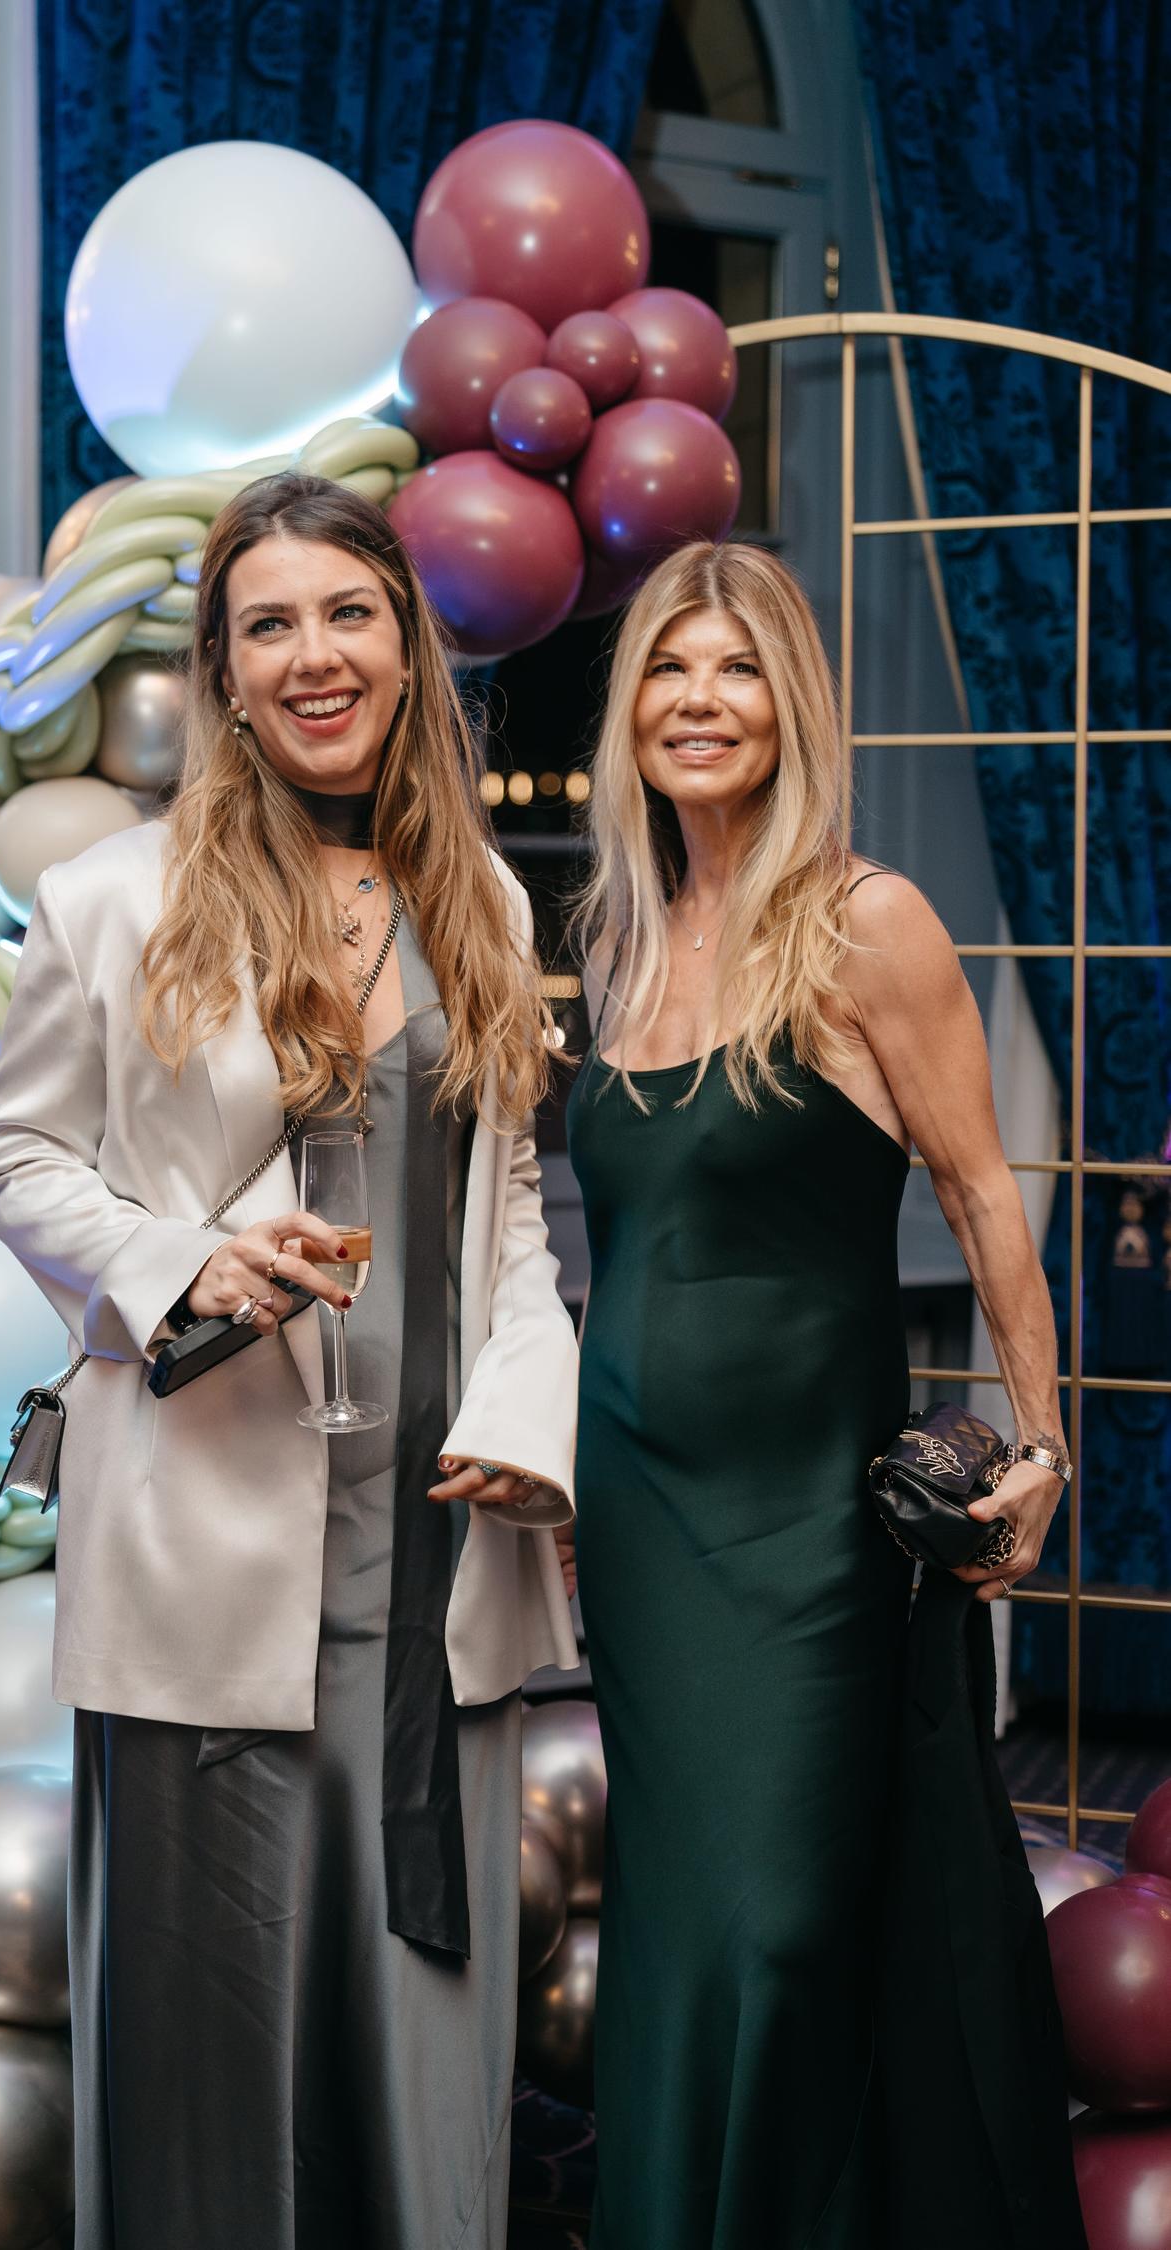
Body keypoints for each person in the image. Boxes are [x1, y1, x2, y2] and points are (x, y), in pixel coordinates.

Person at [0, 471, 579, 2250]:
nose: (314, 655)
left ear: (406, 646)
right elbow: (20, 1164)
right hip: (206, 1552)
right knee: (210, 2063)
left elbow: (512, 1221)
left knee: (422, 2061)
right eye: (269, 625)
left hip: (431, 1564)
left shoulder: (480, 903)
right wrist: (184, 1261)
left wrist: (530, 1420)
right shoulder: (112, 898)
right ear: (224, 673)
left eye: (348, 613)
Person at [565, 540, 1085, 2249]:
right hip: (639, 1515)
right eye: (668, 668)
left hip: (806, 1526)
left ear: (793, 706)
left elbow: (985, 1193)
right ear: (629, 708)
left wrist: (1042, 1438)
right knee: (676, 1925)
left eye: (738, 670)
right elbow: (624, 1248)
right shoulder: (621, 939)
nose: (699, 701)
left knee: (782, 1924)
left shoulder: (867, 919)